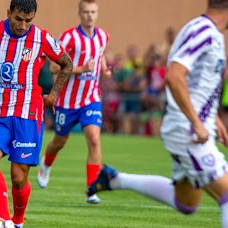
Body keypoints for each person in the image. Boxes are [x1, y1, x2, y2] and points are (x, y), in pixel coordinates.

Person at [88, 1, 228, 227]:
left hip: (193, 128)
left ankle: (114, 179)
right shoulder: (203, 32)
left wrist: (213, 118)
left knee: (187, 202)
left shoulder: (210, 34)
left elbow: (198, 84)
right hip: (188, 132)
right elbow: (174, 76)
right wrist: (197, 121)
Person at [0, 0, 73, 227]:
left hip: (28, 116)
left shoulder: (41, 38)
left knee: (19, 179)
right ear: (9, 12)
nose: (23, 25)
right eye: (18, 19)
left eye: (28, 21)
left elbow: (66, 64)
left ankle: (18, 222)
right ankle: (6, 222)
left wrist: (53, 95)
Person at [36, 0, 111, 204]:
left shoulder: (103, 35)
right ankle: (46, 164)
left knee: (94, 139)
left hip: (91, 99)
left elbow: (101, 53)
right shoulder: (69, 37)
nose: (89, 15)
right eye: (86, 12)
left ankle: (92, 189)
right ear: (79, 13)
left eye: (93, 12)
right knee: (60, 141)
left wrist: (104, 69)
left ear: (97, 13)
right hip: (67, 101)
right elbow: (53, 68)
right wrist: (81, 69)